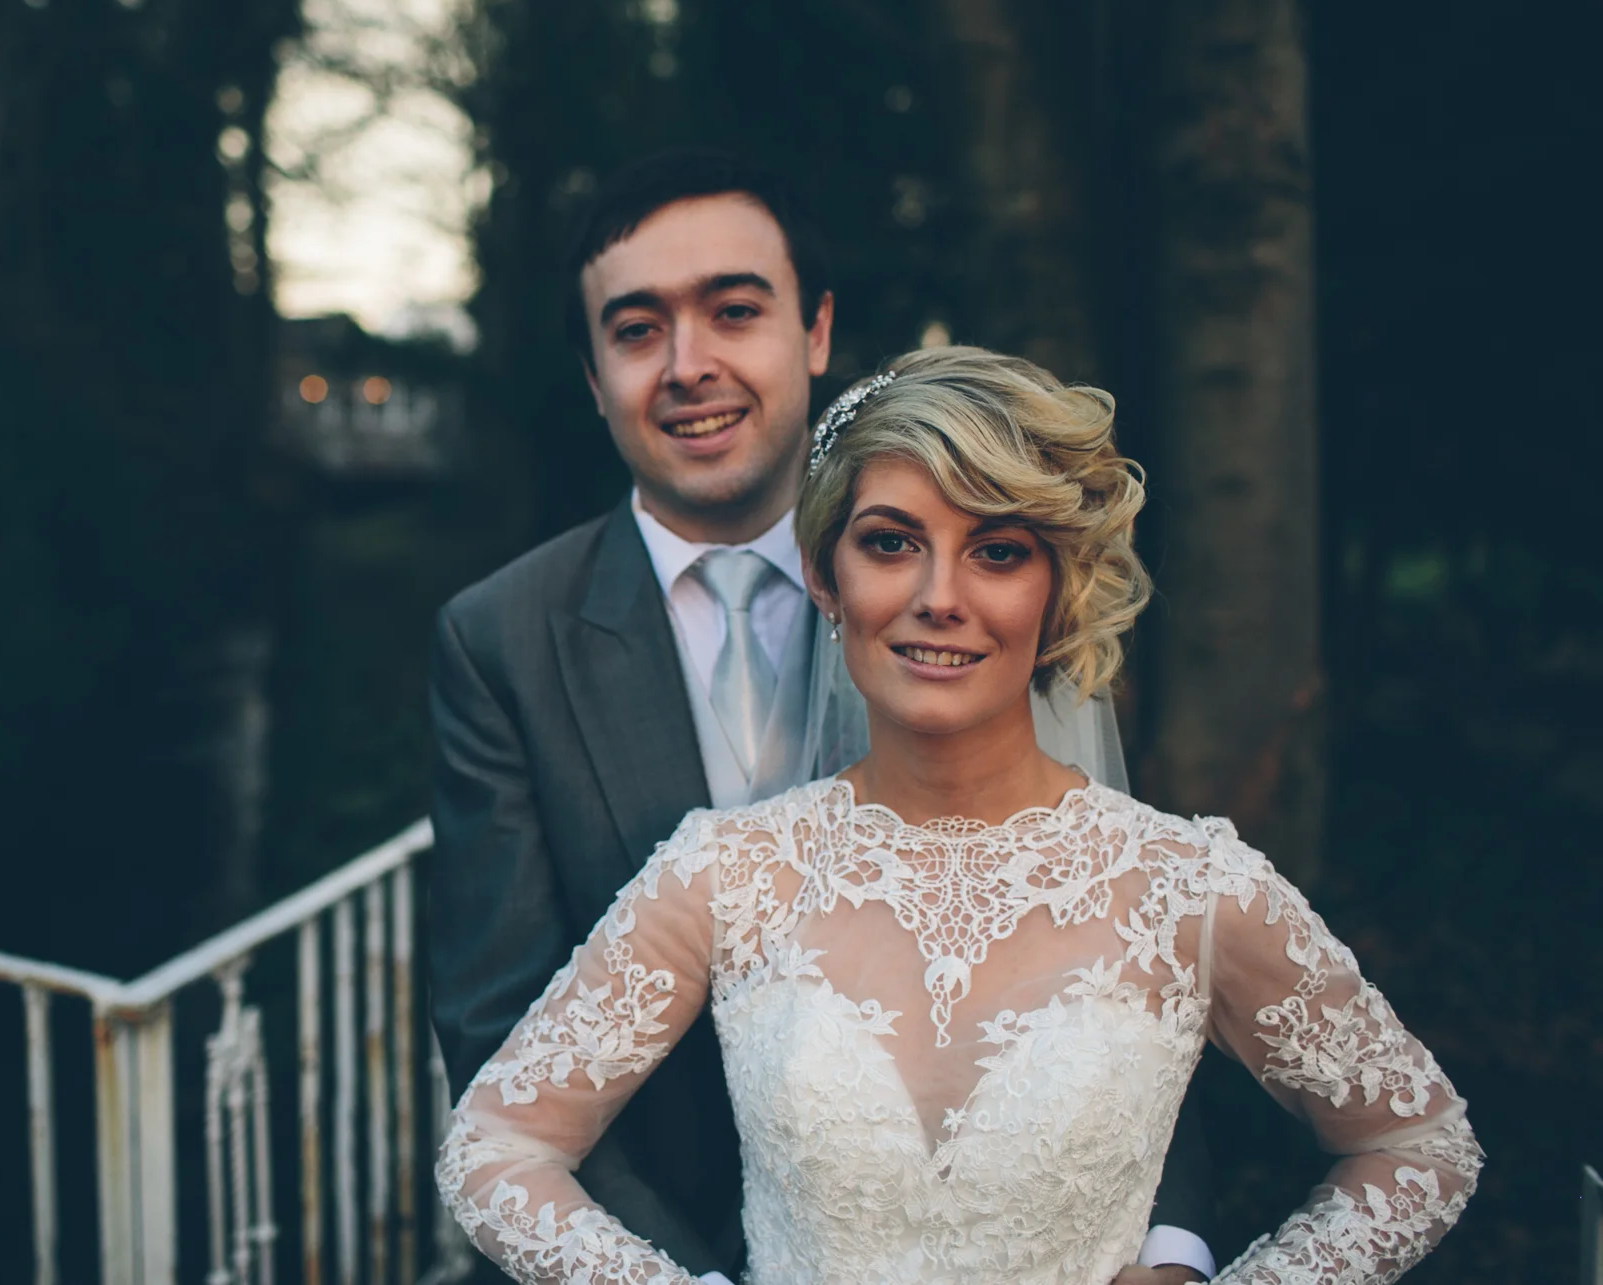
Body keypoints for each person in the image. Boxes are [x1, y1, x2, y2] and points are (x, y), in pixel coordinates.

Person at [436, 347, 1481, 1285]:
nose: (939, 596)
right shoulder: (728, 874)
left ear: (1056, 588)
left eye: (996, 551)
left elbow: (1419, 1145)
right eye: (891, 543)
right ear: (823, 575)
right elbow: (493, 1147)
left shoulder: (1185, 887)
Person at [426, 149, 1213, 1285]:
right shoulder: (497, 639)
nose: (688, 366)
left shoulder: (984, 592)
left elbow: (1124, 953)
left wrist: (1170, 1247)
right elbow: (501, 1034)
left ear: (814, 331)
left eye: (733, 311)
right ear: (593, 376)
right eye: (637, 330)